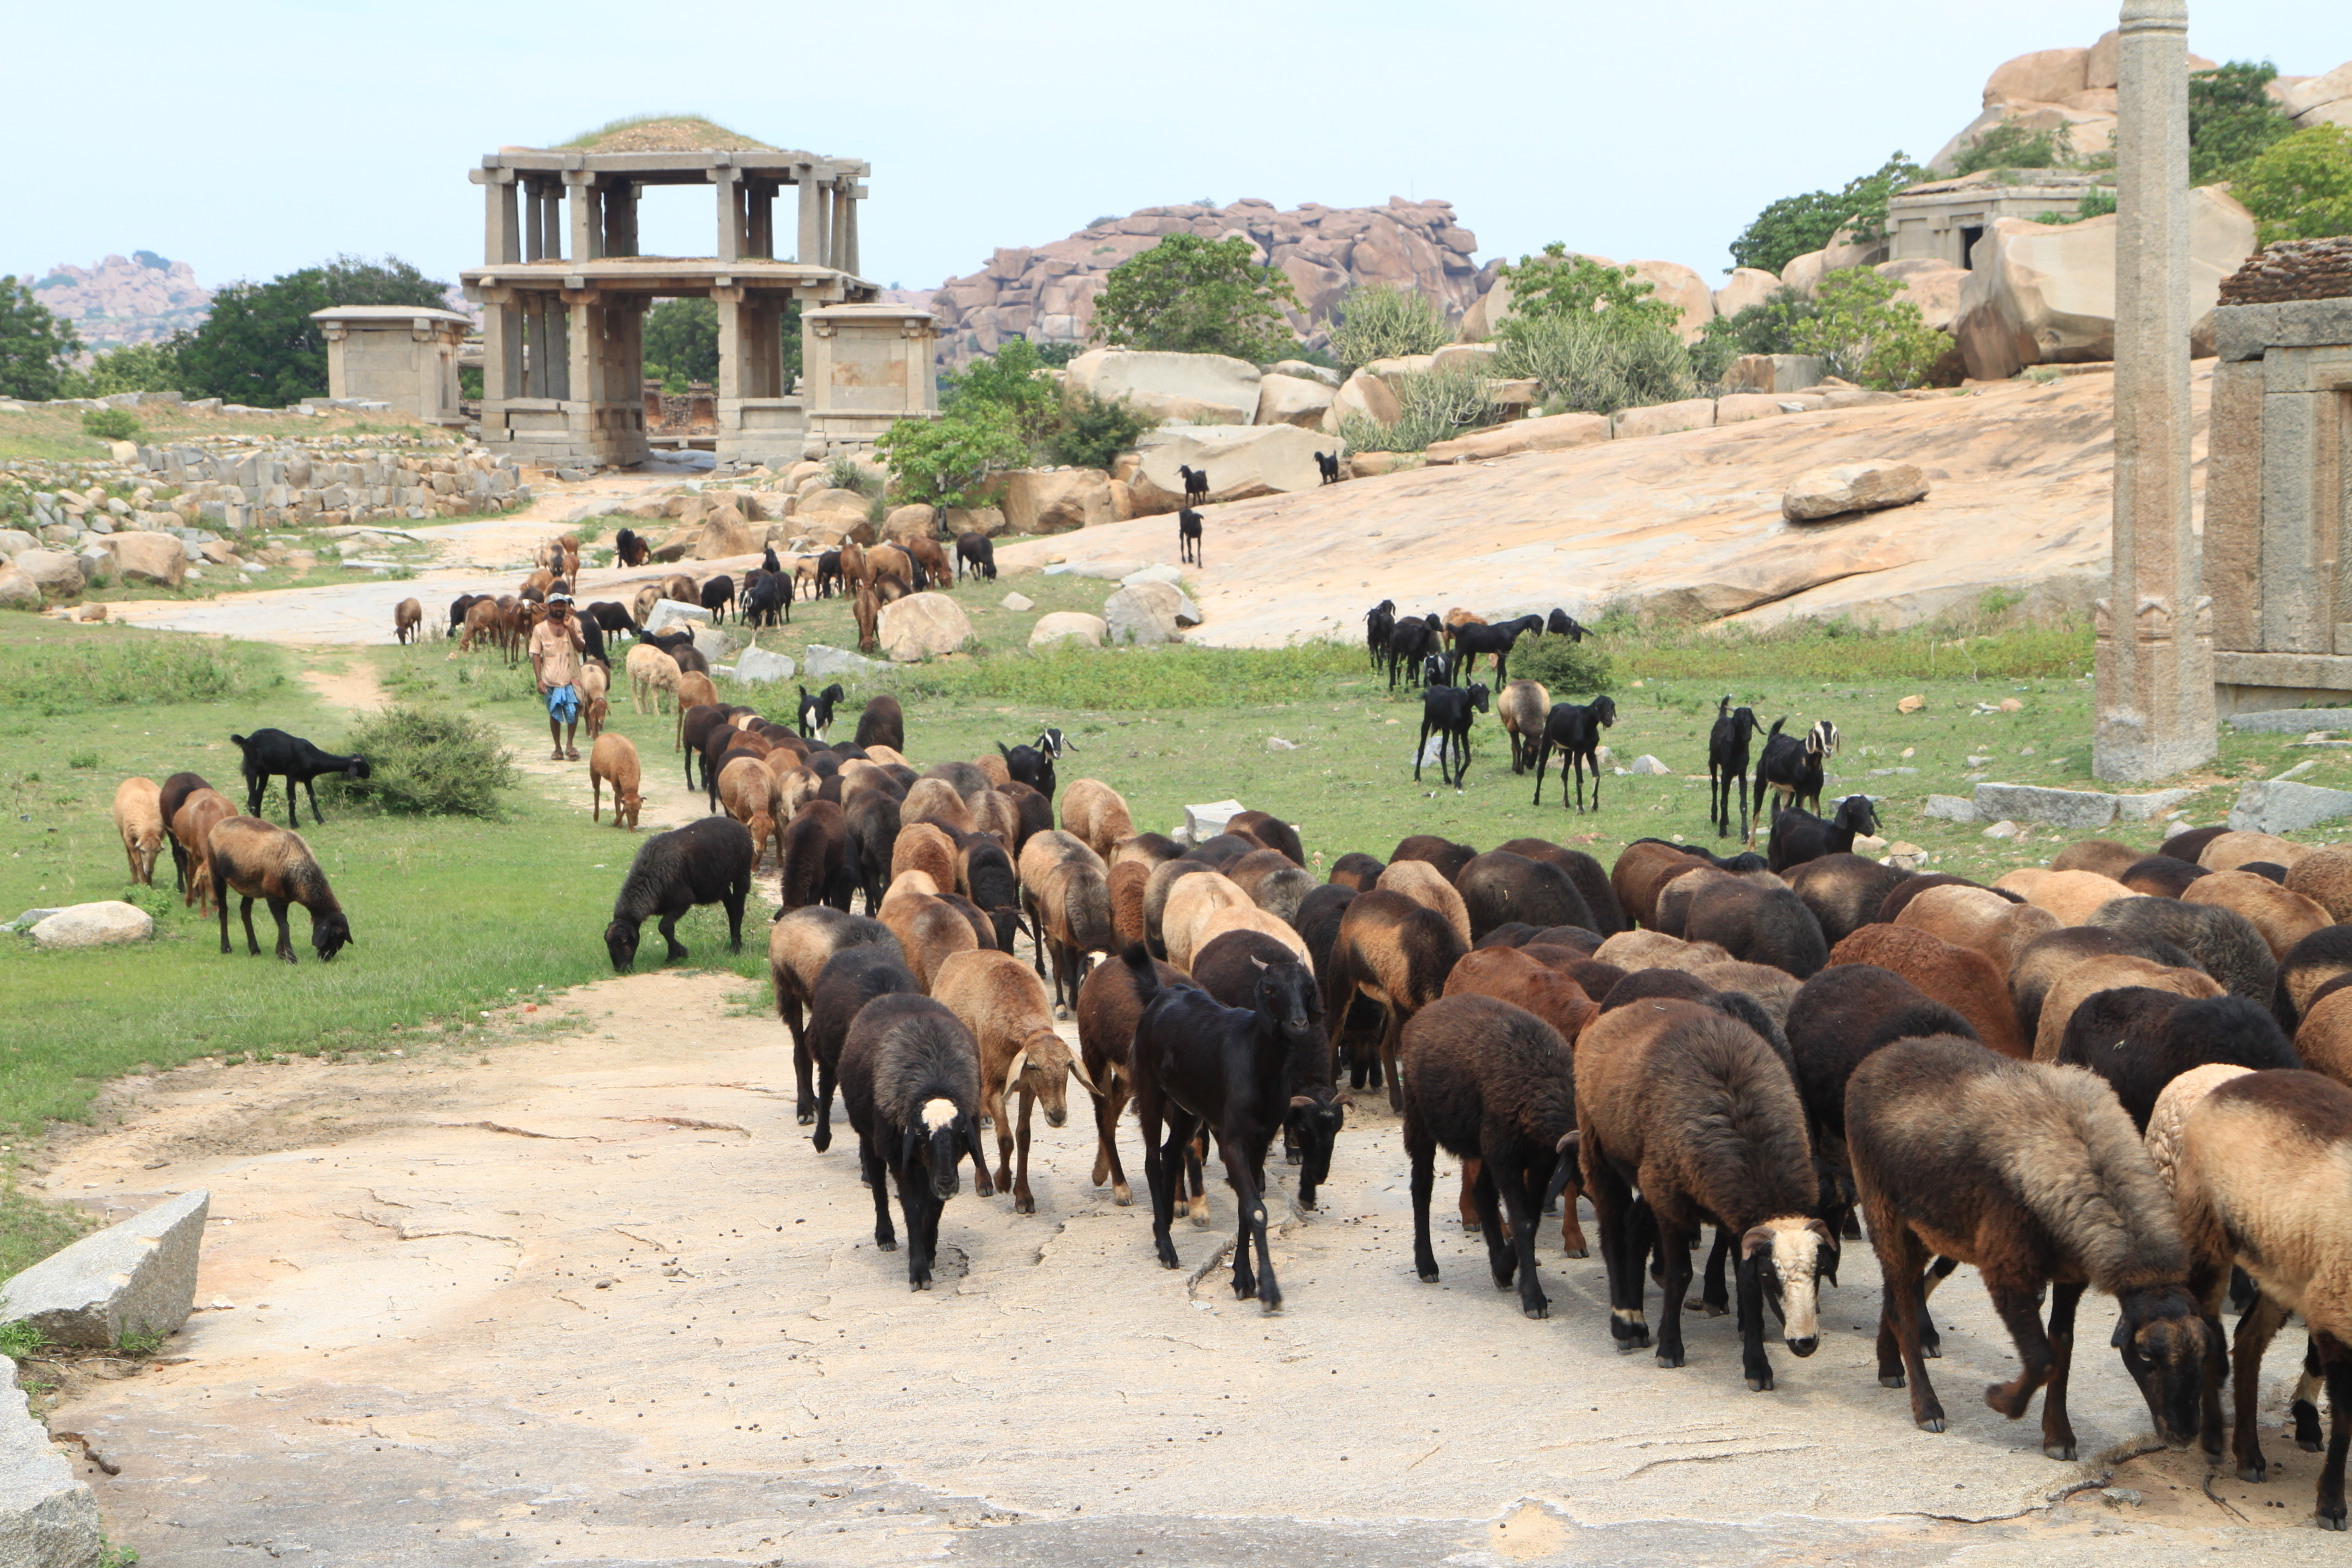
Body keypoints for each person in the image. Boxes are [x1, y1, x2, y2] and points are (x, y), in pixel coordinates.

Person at [530, 594, 588, 761]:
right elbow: (535, 654)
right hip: (550, 678)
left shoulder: (574, 624)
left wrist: (570, 629)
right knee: (554, 713)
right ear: (549, 607)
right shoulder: (540, 629)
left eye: (562, 605)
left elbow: (581, 647)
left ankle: (570, 745)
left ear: (566, 607)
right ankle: (557, 748)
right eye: (555, 605)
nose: (558, 609)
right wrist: (539, 679)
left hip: (571, 677)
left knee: (574, 709)